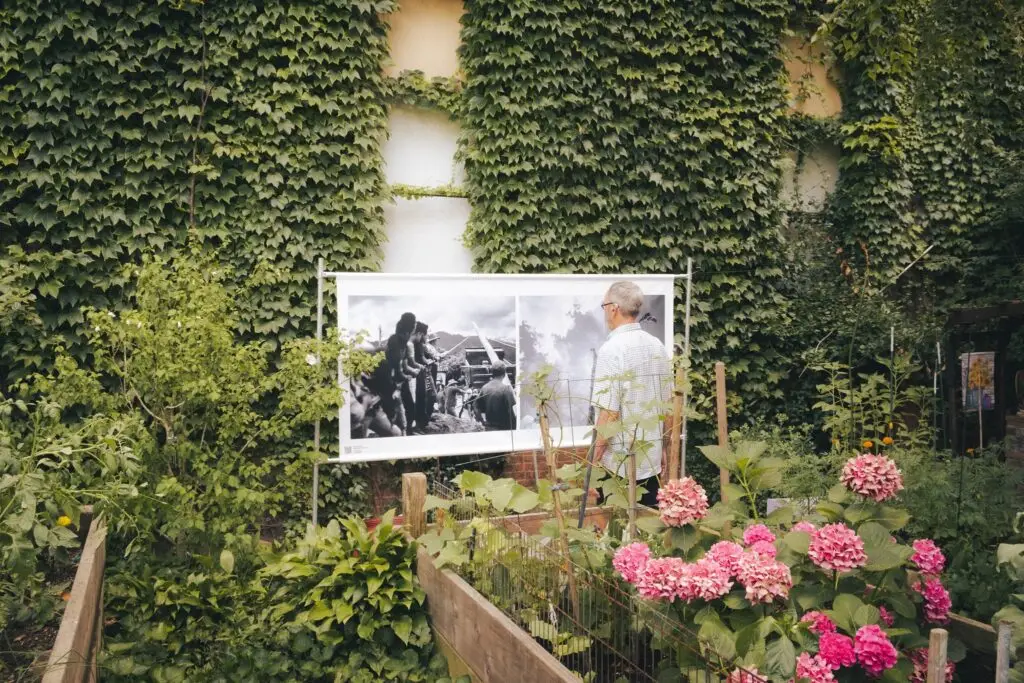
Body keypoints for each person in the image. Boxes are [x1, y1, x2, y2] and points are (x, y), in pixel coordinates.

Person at [590, 281, 672, 507]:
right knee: (646, 533)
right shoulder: (657, 346)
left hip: (618, 465)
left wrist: (593, 463)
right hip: (651, 460)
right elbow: (668, 404)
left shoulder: (612, 350)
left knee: (615, 533)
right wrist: (664, 448)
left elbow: (609, 414)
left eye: (604, 305)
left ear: (613, 308)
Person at [411, 322, 440, 432]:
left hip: (422, 373)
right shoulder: (415, 345)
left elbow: (423, 359)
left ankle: (424, 420)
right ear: (420, 334)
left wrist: (429, 361)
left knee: (427, 396)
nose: (426, 337)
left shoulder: (421, 346)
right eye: (425, 335)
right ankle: (419, 423)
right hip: (416, 375)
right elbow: (417, 360)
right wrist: (427, 363)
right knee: (421, 398)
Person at [474, 361, 517, 431]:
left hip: (488, 429)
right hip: (504, 430)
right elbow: (512, 412)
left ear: (492, 373)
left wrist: (482, 421)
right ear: (504, 374)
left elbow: (476, 407)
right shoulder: (506, 389)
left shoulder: (484, 388)